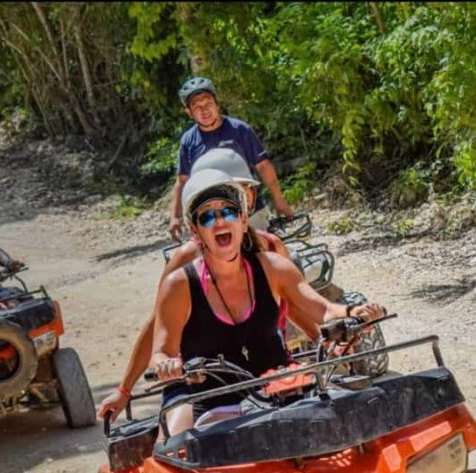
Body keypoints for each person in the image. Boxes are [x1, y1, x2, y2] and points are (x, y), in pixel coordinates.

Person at [152, 170, 383, 435]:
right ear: (195, 231)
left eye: (228, 212)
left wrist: (355, 312)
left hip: (280, 389)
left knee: (356, 424)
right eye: (207, 217)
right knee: (176, 450)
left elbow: (324, 309)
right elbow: (161, 351)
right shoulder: (179, 285)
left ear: (241, 219)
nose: (219, 221)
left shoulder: (274, 267)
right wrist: (165, 365)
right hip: (214, 402)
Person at [97, 156, 319, 421]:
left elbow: (293, 302)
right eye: (211, 207)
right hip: (199, 376)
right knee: (183, 434)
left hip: (267, 366)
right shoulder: (186, 262)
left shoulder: (271, 248)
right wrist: (126, 388)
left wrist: (323, 341)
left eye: (238, 196)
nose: (226, 211)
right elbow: (159, 323)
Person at [168, 76, 295, 241]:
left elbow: (263, 166)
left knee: (263, 254)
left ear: (217, 104)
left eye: (208, 104)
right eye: (197, 107)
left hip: (249, 209)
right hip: (211, 216)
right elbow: (182, 180)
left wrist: (280, 201)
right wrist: (175, 216)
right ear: (189, 112)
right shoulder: (188, 141)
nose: (204, 110)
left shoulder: (240, 130)